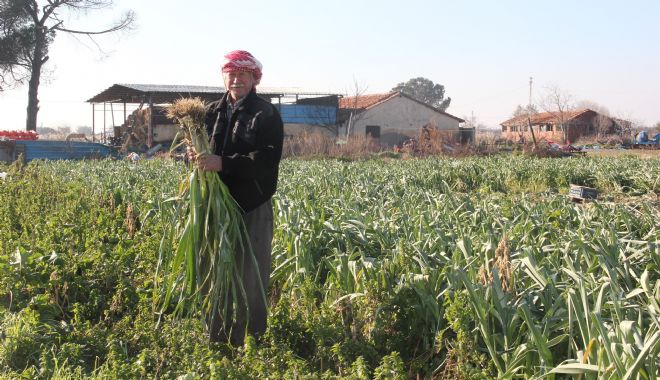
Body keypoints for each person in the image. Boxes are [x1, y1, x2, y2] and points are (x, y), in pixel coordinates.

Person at [189, 50, 283, 345]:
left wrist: (224, 163)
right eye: (231, 73)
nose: (236, 79)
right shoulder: (208, 113)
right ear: (223, 77)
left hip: (251, 205)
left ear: (255, 79)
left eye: (243, 74)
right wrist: (191, 156)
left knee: (251, 278)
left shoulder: (265, 114)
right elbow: (197, 153)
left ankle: (251, 342)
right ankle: (216, 339)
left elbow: (266, 160)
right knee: (213, 273)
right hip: (213, 207)